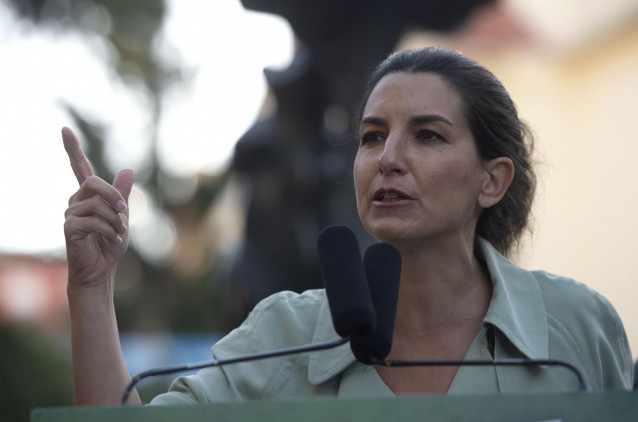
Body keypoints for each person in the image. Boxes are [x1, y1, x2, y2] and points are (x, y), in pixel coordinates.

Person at [62, 47, 633, 406]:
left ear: (493, 180)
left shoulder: (579, 326)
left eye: (428, 135)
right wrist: (92, 288)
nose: (388, 158)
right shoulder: (284, 334)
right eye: (372, 136)